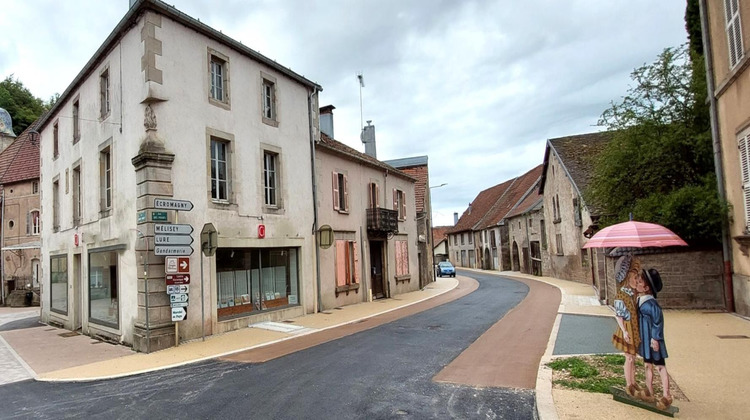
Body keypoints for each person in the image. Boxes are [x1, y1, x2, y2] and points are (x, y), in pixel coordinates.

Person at [636, 268, 673, 410]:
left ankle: (666, 395)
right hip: (645, 339)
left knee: (660, 366)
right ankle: (649, 391)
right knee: (647, 365)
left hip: (652, 340)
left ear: (646, 288)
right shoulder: (640, 300)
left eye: (639, 282)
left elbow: (658, 321)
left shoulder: (652, 305)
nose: (637, 284)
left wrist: (655, 338)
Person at [611, 255, 642, 397]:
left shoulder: (633, 294)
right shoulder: (621, 296)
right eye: (635, 278)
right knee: (629, 357)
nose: (637, 281)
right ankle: (629, 384)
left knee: (633, 357)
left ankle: (633, 381)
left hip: (634, 328)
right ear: (628, 279)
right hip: (627, 328)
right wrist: (624, 331)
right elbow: (619, 315)